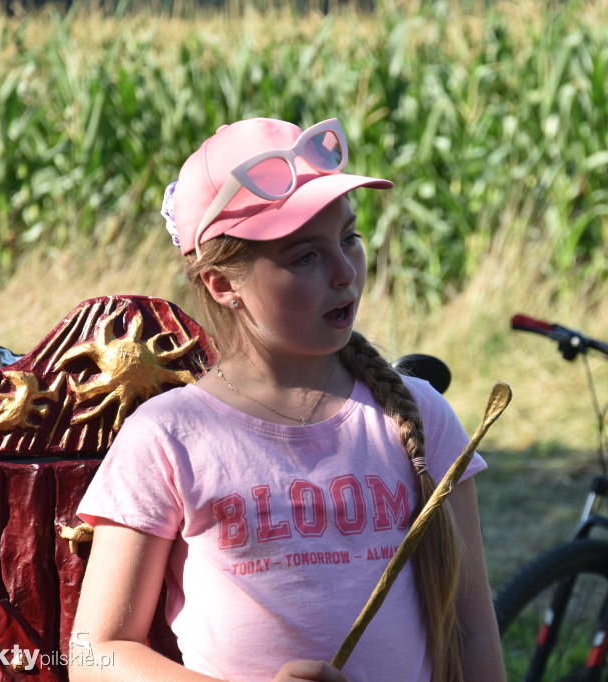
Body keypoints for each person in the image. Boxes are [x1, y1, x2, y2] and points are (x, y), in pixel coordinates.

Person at [70, 117, 507, 682]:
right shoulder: (168, 437)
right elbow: (94, 651)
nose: (345, 272)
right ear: (222, 284)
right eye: (305, 257)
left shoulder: (419, 417)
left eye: (350, 238)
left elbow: (472, 629)